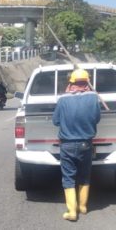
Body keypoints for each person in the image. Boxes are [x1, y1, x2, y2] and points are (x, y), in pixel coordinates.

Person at [52, 69, 101, 221]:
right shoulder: (94, 98)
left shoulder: (63, 99)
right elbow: (97, 118)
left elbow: (56, 121)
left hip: (67, 145)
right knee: (85, 176)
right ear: (87, 82)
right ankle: (83, 207)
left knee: (68, 177)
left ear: (71, 83)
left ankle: (72, 212)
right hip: (86, 144)